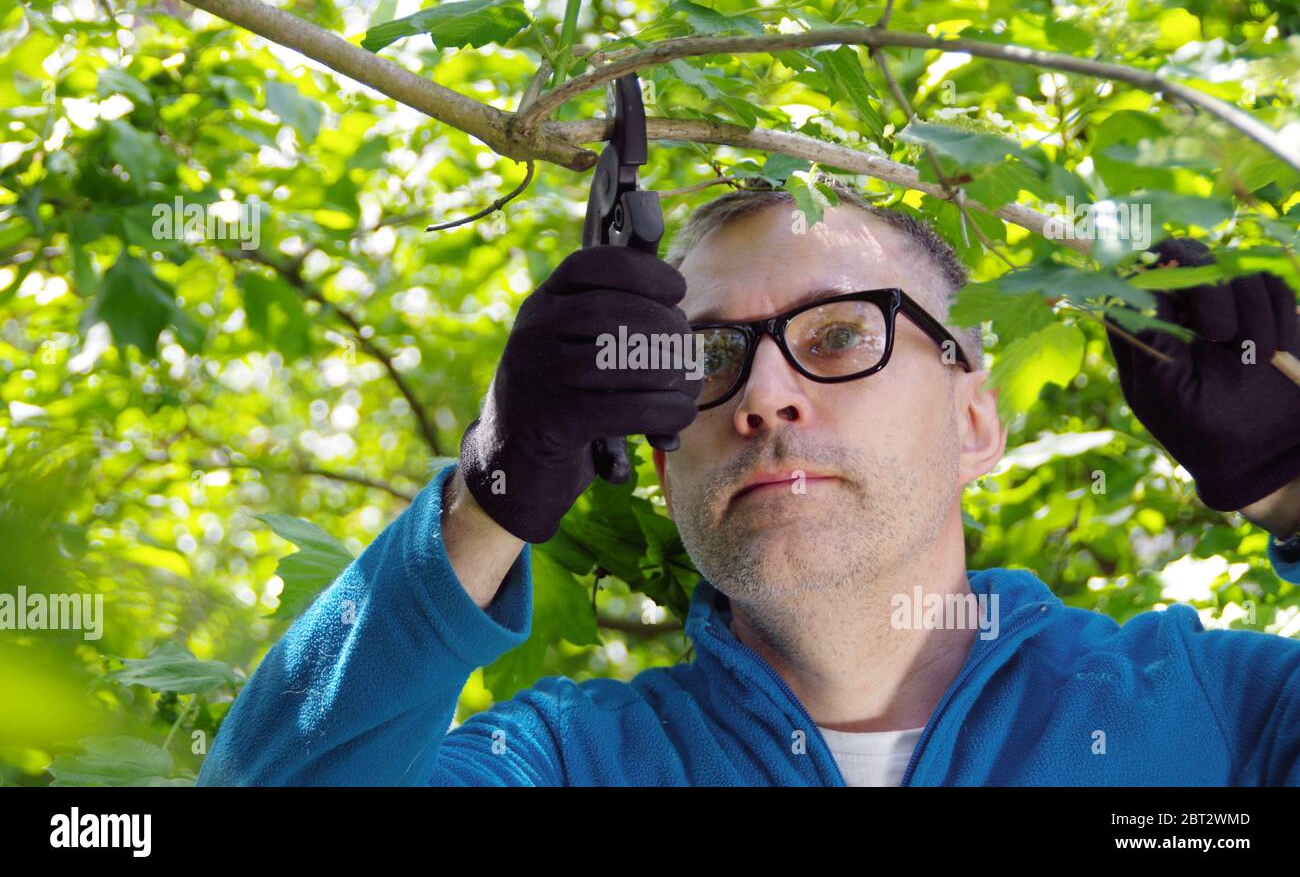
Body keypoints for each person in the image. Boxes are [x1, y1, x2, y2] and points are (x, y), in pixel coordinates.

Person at [196, 184, 1300, 786]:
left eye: (834, 335)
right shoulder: (568, 766)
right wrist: (489, 493)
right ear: (661, 451)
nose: (762, 395)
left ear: (973, 419)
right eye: (709, 359)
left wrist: (1289, 487)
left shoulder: (1218, 719)